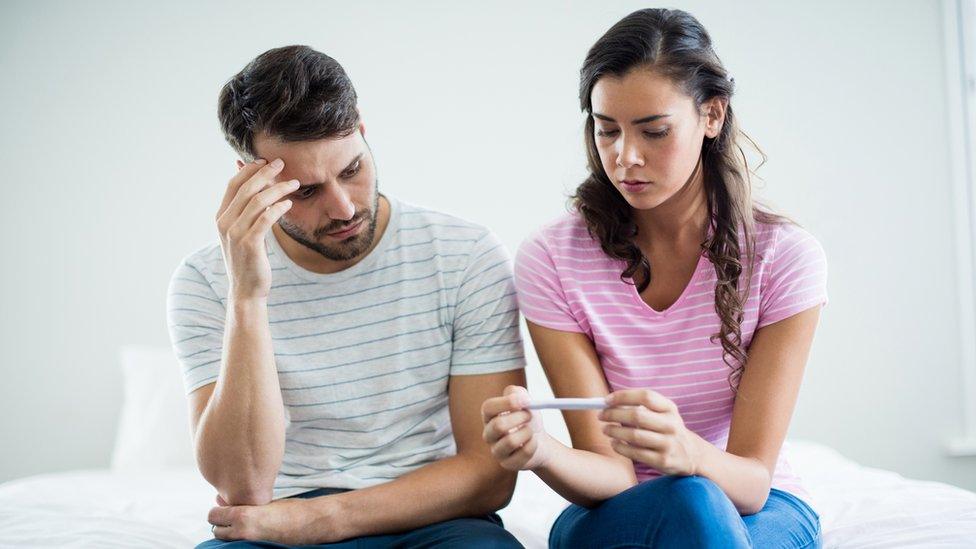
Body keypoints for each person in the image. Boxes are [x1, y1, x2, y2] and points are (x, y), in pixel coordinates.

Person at [481, 8, 826, 548]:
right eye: (606, 130)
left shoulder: (784, 257)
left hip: (752, 507)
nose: (625, 157)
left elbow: (754, 483)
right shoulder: (553, 257)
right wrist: (542, 452)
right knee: (682, 501)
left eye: (654, 131)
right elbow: (612, 473)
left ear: (712, 115)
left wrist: (686, 452)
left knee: (697, 498)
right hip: (620, 510)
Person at [167, 45, 526, 548]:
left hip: (433, 518)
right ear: (250, 178)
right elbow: (244, 486)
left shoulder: (465, 255)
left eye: (352, 170)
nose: (342, 208)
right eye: (306, 191)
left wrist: (321, 520)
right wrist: (247, 297)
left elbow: (490, 475)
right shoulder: (204, 282)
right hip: (273, 526)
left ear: (361, 128)